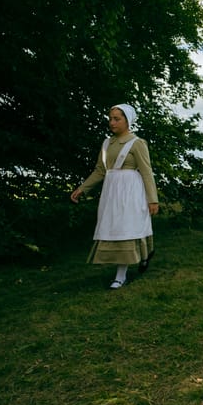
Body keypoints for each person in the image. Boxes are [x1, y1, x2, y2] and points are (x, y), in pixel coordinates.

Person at [70, 104, 158, 289]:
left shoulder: (137, 143)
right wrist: (83, 188)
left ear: (127, 121)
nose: (112, 122)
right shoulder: (106, 144)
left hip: (130, 192)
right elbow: (100, 170)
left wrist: (152, 199)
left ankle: (121, 275)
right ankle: (143, 256)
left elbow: (146, 171)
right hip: (111, 193)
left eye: (117, 119)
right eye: (110, 119)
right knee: (115, 228)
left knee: (128, 228)